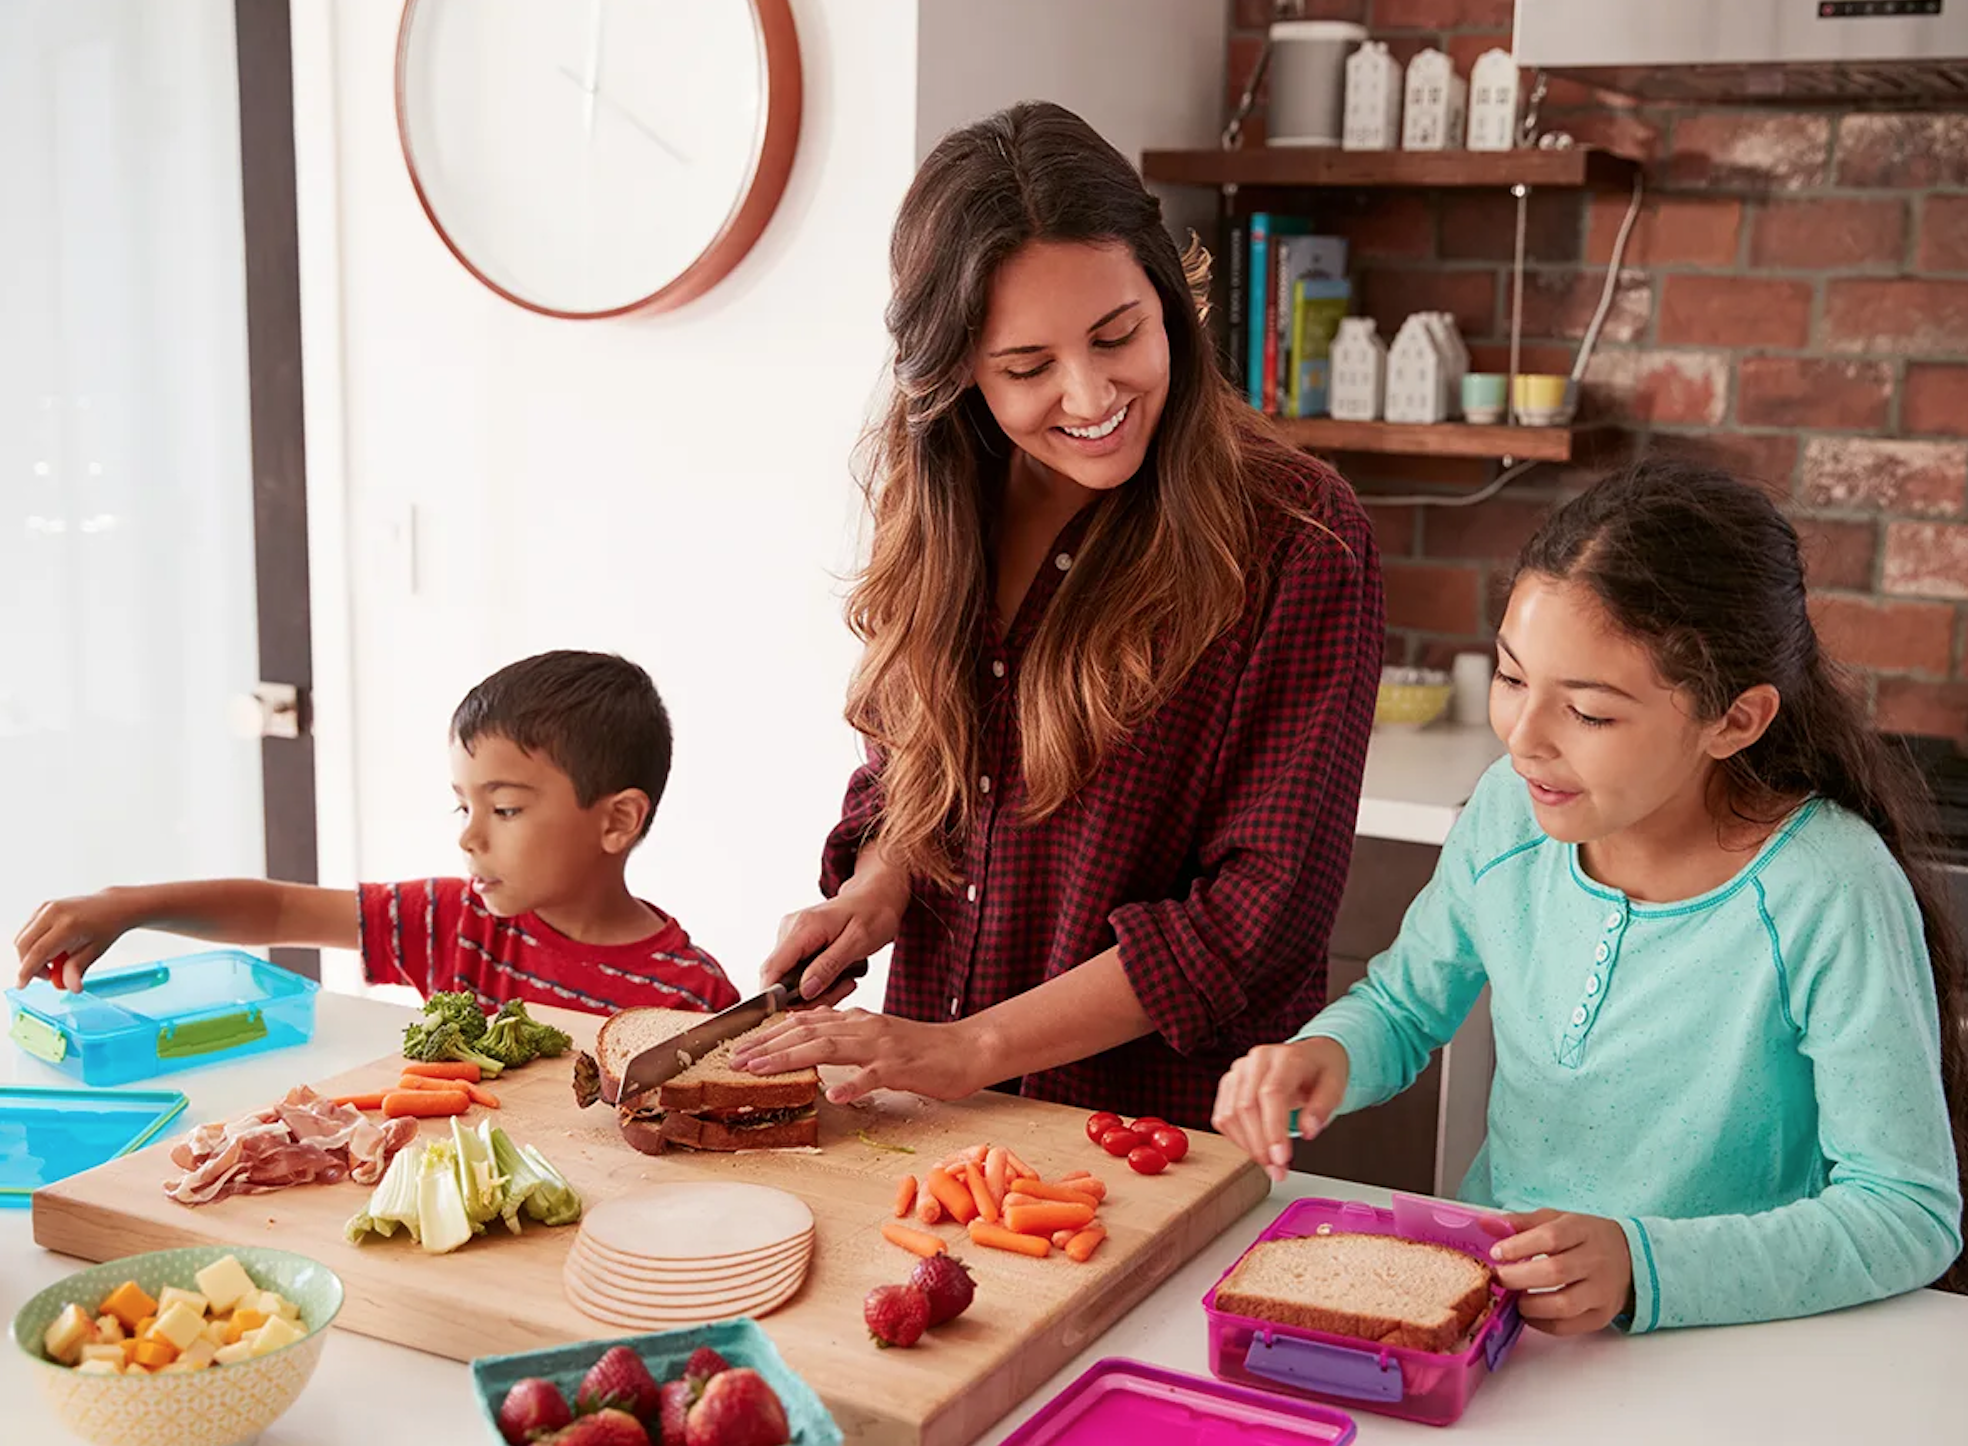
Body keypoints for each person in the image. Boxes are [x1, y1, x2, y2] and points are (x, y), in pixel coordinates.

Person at [733, 102, 1384, 1129]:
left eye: (1118, 334)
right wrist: (879, 884)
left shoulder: (1299, 536)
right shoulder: (943, 503)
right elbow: (919, 763)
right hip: (928, 1120)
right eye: (1028, 368)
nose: (1091, 395)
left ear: (1166, 297)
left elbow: (1259, 915)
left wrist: (974, 1047)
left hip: (1152, 1141)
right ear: (957, 373)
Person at [1213, 460, 1967, 1334]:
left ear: (1735, 720)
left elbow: (1907, 1211)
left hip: (1734, 1348)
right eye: (1509, 676)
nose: (1525, 739)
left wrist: (1645, 1269)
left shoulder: (1826, 888)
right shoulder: (1510, 812)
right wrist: (1327, 1056)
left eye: (1591, 713)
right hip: (1505, 1324)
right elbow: (1404, 1004)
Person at [14, 650, 740, 1017]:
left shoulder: (689, 997)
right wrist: (130, 905)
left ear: (616, 820)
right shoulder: (455, 924)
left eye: (506, 809)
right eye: (463, 807)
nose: (470, 838)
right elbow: (279, 911)